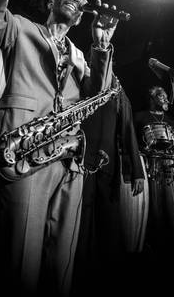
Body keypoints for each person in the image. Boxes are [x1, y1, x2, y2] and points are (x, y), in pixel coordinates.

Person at [0, 0, 117, 296]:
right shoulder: (21, 28)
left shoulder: (80, 55)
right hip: (24, 151)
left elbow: (97, 95)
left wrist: (101, 44)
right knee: (20, 258)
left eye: (83, 0)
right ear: (54, 2)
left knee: (63, 262)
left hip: (68, 157)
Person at [74, 73, 146, 294]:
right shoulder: (82, 81)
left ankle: (109, 282)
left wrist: (137, 171)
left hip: (108, 165)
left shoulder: (117, 88)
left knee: (109, 226)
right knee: (81, 226)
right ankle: (78, 279)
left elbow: (127, 129)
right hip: (81, 165)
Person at [134, 86, 174, 250]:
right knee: (153, 206)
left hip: (168, 165)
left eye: (166, 96)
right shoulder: (140, 117)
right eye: (161, 95)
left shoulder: (172, 122)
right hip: (150, 163)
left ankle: (172, 241)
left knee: (170, 204)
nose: (165, 98)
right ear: (152, 98)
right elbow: (133, 141)